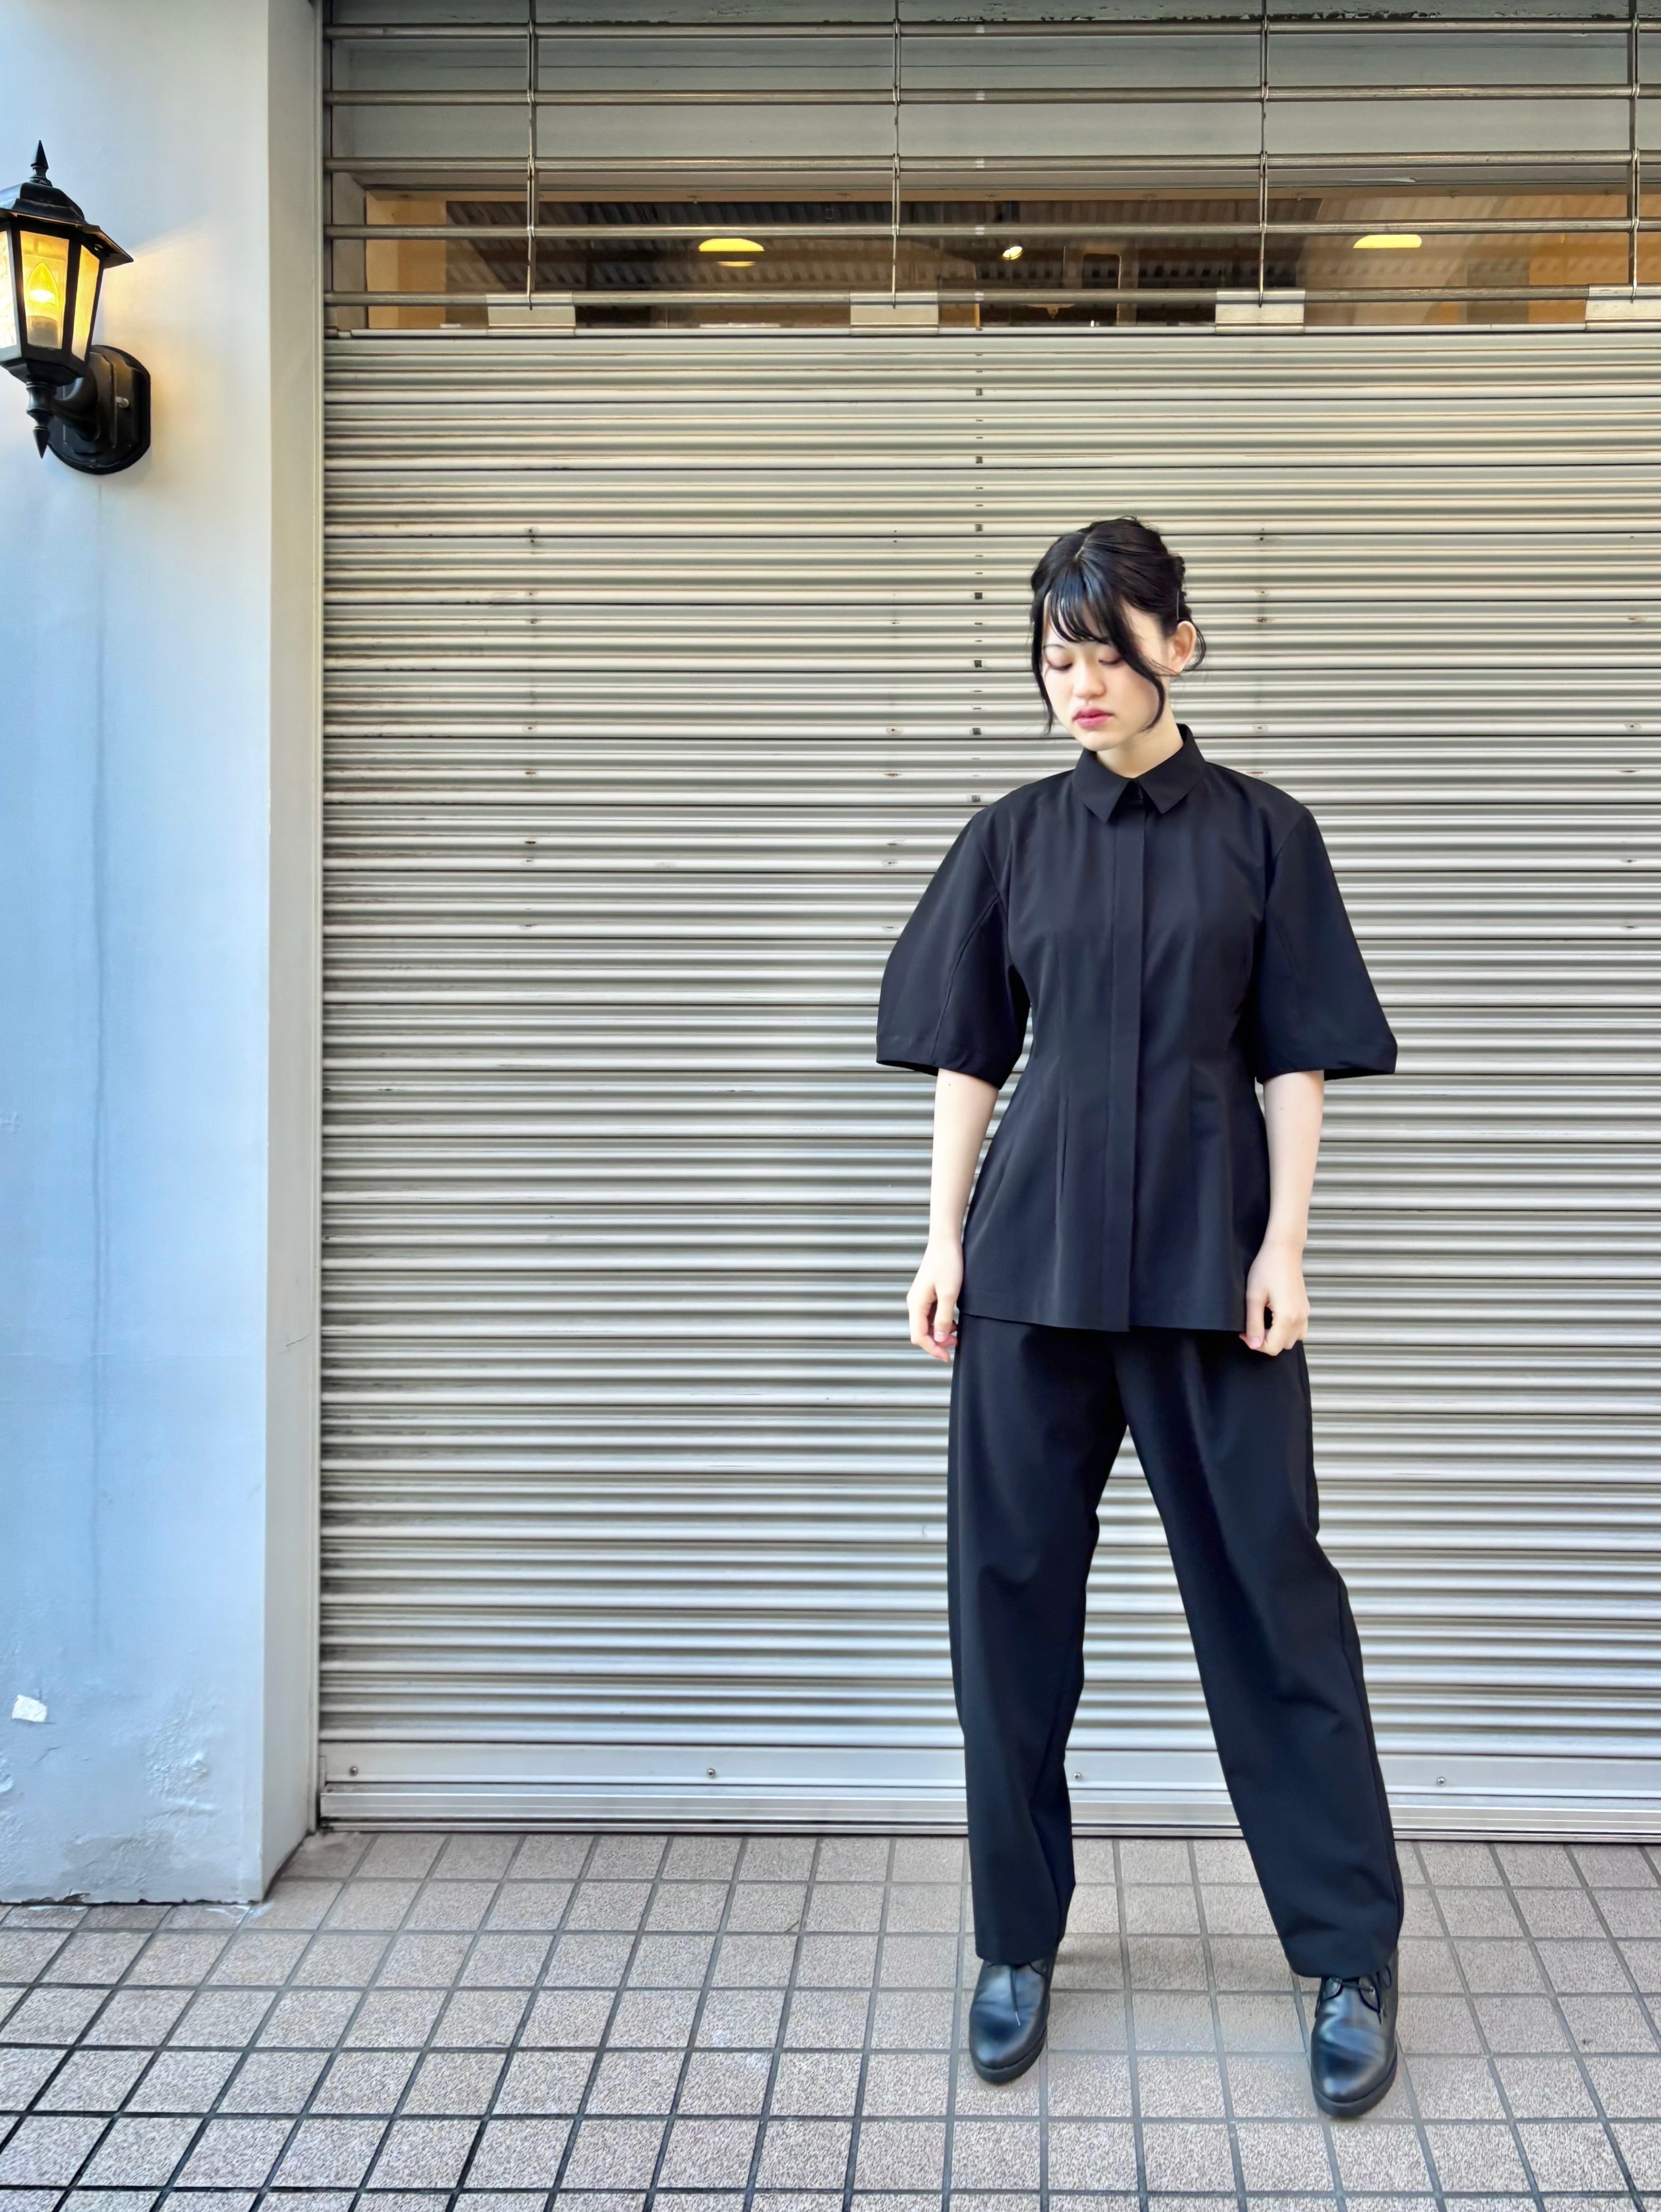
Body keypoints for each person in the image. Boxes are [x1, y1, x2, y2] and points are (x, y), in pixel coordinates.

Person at [874, 517, 1403, 2117]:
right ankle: (1015, 1941)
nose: (1081, 683)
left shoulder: (1266, 835)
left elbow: (1295, 1056)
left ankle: (1348, 1952)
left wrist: (1285, 1245)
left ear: (1180, 644)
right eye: (1058, 657)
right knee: (1006, 1605)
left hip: (1208, 1270)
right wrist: (941, 1241)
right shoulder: (1011, 840)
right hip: (1029, 1271)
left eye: (1108, 649)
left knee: (1274, 1600)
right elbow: (972, 1053)